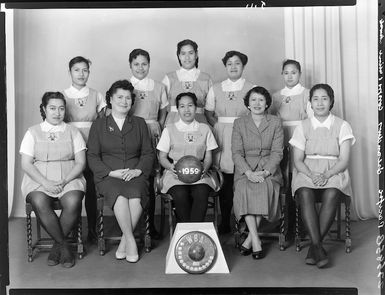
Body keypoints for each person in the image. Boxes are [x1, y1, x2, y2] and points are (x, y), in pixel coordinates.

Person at [87, 80, 155, 263]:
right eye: (119, 97)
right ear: (110, 99)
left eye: (128, 98)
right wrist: (111, 173)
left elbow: (148, 153)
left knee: (136, 192)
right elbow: (92, 156)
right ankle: (131, 241)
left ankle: (125, 240)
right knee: (119, 193)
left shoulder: (140, 124)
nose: (124, 101)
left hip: (135, 173)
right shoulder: (99, 125)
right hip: (108, 175)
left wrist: (138, 171)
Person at [289, 83, 355, 268]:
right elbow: (298, 160)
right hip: (307, 170)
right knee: (304, 192)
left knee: (332, 192)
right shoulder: (303, 126)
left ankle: (314, 247)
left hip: (334, 170)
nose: (319, 103)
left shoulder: (342, 125)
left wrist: (326, 174)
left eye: (324, 98)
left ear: (331, 101)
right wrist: (312, 175)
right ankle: (318, 247)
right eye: (315, 99)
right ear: (310, 102)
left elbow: (344, 160)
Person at [20, 92, 86, 268]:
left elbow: (80, 163)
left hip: (69, 175)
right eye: (52, 108)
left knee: (73, 200)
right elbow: (26, 164)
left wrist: (64, 181)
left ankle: (57, 247)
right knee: (39, 200)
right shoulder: (32, 132)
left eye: (61, 108)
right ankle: (64, 247)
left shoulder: (73, 132)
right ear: (44, 109)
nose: (57, 112)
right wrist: (45, 182)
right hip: (39, 177)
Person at [205, 50, 255, 234]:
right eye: (229, 64)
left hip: (244, 134)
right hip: (222, 135)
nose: (233, 67)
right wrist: (219, 126)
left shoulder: (252, 87)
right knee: (224, 179)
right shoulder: (215, 88)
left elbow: (256, 112)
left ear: (243, 66)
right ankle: (225, 220)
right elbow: (209, 112)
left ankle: (242, 220)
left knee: (241, 178)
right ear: (225, 66)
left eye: (237, 63)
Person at [232, 86, 284, 259]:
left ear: (267, 103)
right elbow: (236, 153)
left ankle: (249, 241)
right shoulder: (239, 123)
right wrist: (248, 172)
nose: (257, 103)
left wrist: (266, 172)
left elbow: (277, 152)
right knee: (244, 189)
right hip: (245, 169)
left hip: (268, 169)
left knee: (264, 189)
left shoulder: (275, 122)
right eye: (253, 99)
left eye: (261, 100)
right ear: (247, 103)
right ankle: (255, 240)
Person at [63, 56, 107, 243]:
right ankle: (70, 230)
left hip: (92, 146)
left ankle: (93, 230)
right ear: (70, 72)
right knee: (72, 188)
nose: (81, 74)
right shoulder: (63, 95)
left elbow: (103, 121)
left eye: (85, 70)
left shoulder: (96, 95)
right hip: (69, 146)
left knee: (91, 189)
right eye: (77, 70)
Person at [157, 92, 218, 222]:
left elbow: (208, 156)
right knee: (180, 194)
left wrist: (205, 169)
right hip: (175, 173)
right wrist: (171, 167)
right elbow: (162, 157)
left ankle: (196, 229)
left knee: (201, 192)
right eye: (182, 106)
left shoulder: (205, 128)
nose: (187, 110)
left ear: (196, 108)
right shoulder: (169, 129)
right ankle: (185, 231)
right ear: (177, 109)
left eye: (190, 105)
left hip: (200, 172)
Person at [128, 48, 169, 239]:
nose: (140, 67)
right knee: (134, 177)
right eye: (136, 64)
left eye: (144, 63)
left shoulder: (159, 87)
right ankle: (131, 225)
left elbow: (163, 113)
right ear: (130, 66)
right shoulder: (125, 86)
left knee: (152, 180)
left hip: (152, 133)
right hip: (130, 133)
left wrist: (156, 129)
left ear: (149, 65)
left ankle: (150, 225)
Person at [162, 39, 212, 126]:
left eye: (191, 53)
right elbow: (162, 106)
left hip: (199, 121)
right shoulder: (169, 78)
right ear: (179, 56)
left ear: (196, 55)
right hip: (174, 122)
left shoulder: (206, 79)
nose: (187, 57)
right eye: (183, 53)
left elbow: (211, 108)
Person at [270, 59, 313, 147]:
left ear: (300, 74)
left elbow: (312, 119)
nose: (289, 76)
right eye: (286, 73)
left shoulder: (307, 94)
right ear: (282, 74)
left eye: (293, 73)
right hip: (280, 134)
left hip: (301, 134)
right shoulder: (275, 96)